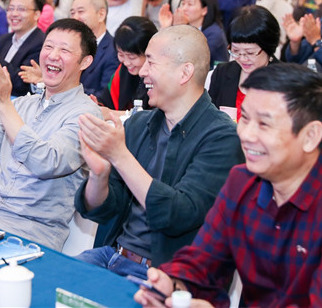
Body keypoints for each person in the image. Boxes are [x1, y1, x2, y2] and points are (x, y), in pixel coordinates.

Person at [135, 63, 322, 308]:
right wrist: (173, 286)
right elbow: (203, 260)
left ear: (310, 136)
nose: (245, 135)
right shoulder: (242, 181)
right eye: (244, 118)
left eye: (264, 124)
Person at [75, 25, 244, 279]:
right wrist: (99, 175)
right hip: (111, 255)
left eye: (151, 62)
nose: (142, 71)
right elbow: (103, 210)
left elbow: (177, 214)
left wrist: (120, 156)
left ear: (185, 72)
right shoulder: (139, 124)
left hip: (163, 276)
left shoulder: (223, 137)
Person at [0, 19, 101, 250]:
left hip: (31, 234)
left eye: (64, 50)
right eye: (48, 46)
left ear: (85, 61)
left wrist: (3, 104)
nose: (53, 55)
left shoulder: (87, 115)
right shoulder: (24, 104)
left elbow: (47, 162)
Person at [209, 5, 280, 121]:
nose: (242, 58)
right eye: (236, 51)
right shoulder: (222, 73)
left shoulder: (286, 82)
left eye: (250, 53)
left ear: (268, 47)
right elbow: (209, 118)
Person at [98, 16, 157, 112]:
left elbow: (154, 116)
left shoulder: (159, 78)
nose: (126, 62)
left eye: (132, 57)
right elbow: (106, 101)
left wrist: (114, 114)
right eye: (121, 54)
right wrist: (97, 105)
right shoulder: (122, 71)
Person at [160, 0, 229, 67]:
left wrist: (180, 29)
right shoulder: (188, 27)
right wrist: (164, 28)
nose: (184, 8)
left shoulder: (214, 33)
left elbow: (189, 58)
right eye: (183, 4)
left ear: (204, 10)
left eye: (190, 4)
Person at [70, 0, 119, 99]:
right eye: (72, 13)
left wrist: (66, 88)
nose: (75, 17)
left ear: (101, 14)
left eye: (81, 11)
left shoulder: (113, 51)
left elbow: (105, 96)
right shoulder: (71, 46)